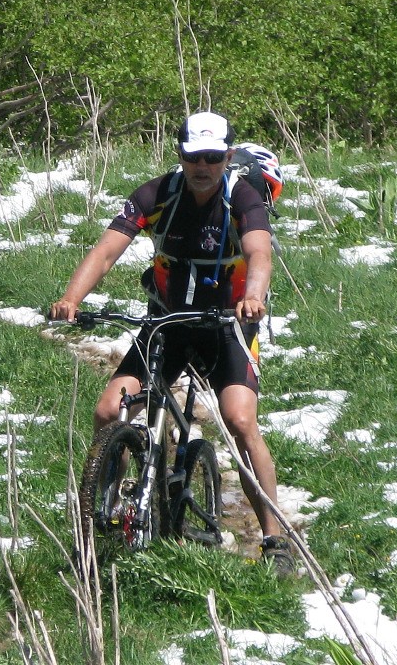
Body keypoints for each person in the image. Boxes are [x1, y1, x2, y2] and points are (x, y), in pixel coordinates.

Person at [50, 111, 293, 576]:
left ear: (226, 156)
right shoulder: (156, 194)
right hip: (168, 322)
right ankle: (101, 512)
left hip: (227, 323)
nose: (202, 166)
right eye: (192, 157)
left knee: (240, 420)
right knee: (108, 411)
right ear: (179, 155)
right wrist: (71, 298)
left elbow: (259, 250)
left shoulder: (240, 197)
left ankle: (274, 538)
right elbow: (106, 250)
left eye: (213, 157)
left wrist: (254, 297)